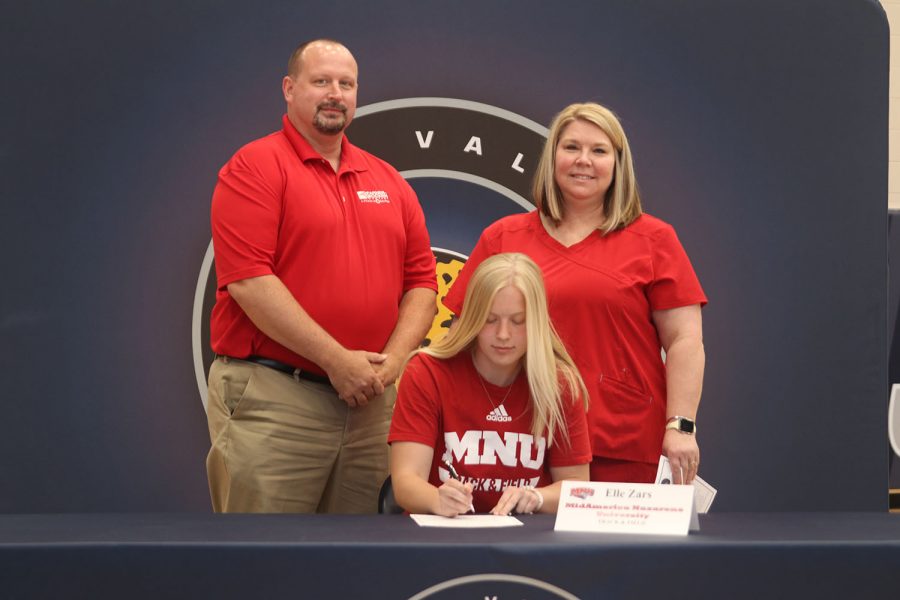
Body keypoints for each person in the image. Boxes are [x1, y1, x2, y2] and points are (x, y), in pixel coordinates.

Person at [205, 39, 438, 513]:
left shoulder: (387, 179)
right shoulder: (254, 167)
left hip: (372, 407)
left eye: (346, 84)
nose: (335, 93)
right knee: (265, 565)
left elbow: (423, 284)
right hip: (277, 401)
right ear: (289, 89)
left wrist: (391, 364)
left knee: (359, 569)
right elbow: (250, 281)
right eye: (321, 81)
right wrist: (337, 360)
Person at [443, 103, 706, 485]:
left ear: (618, 164)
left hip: (622, 446)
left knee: (620, 549)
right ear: (552, 158)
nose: (584, 160)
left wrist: (681, 426)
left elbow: (685, 339)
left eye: (599, 151)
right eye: (571, 148)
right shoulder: (503, 237)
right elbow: (462, 335)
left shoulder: (655, 240)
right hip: (521, 444)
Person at [389, 253, 591, 516]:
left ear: (537, 323)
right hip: (443, 539)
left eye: (518, 321)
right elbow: (406, 481)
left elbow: (578, 486)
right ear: (472, 316)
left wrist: (537, 497)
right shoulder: (427, 372)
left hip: (524, 542)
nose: (503, 335)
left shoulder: (559, 383)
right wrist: (437, 498)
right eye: (490, 319)